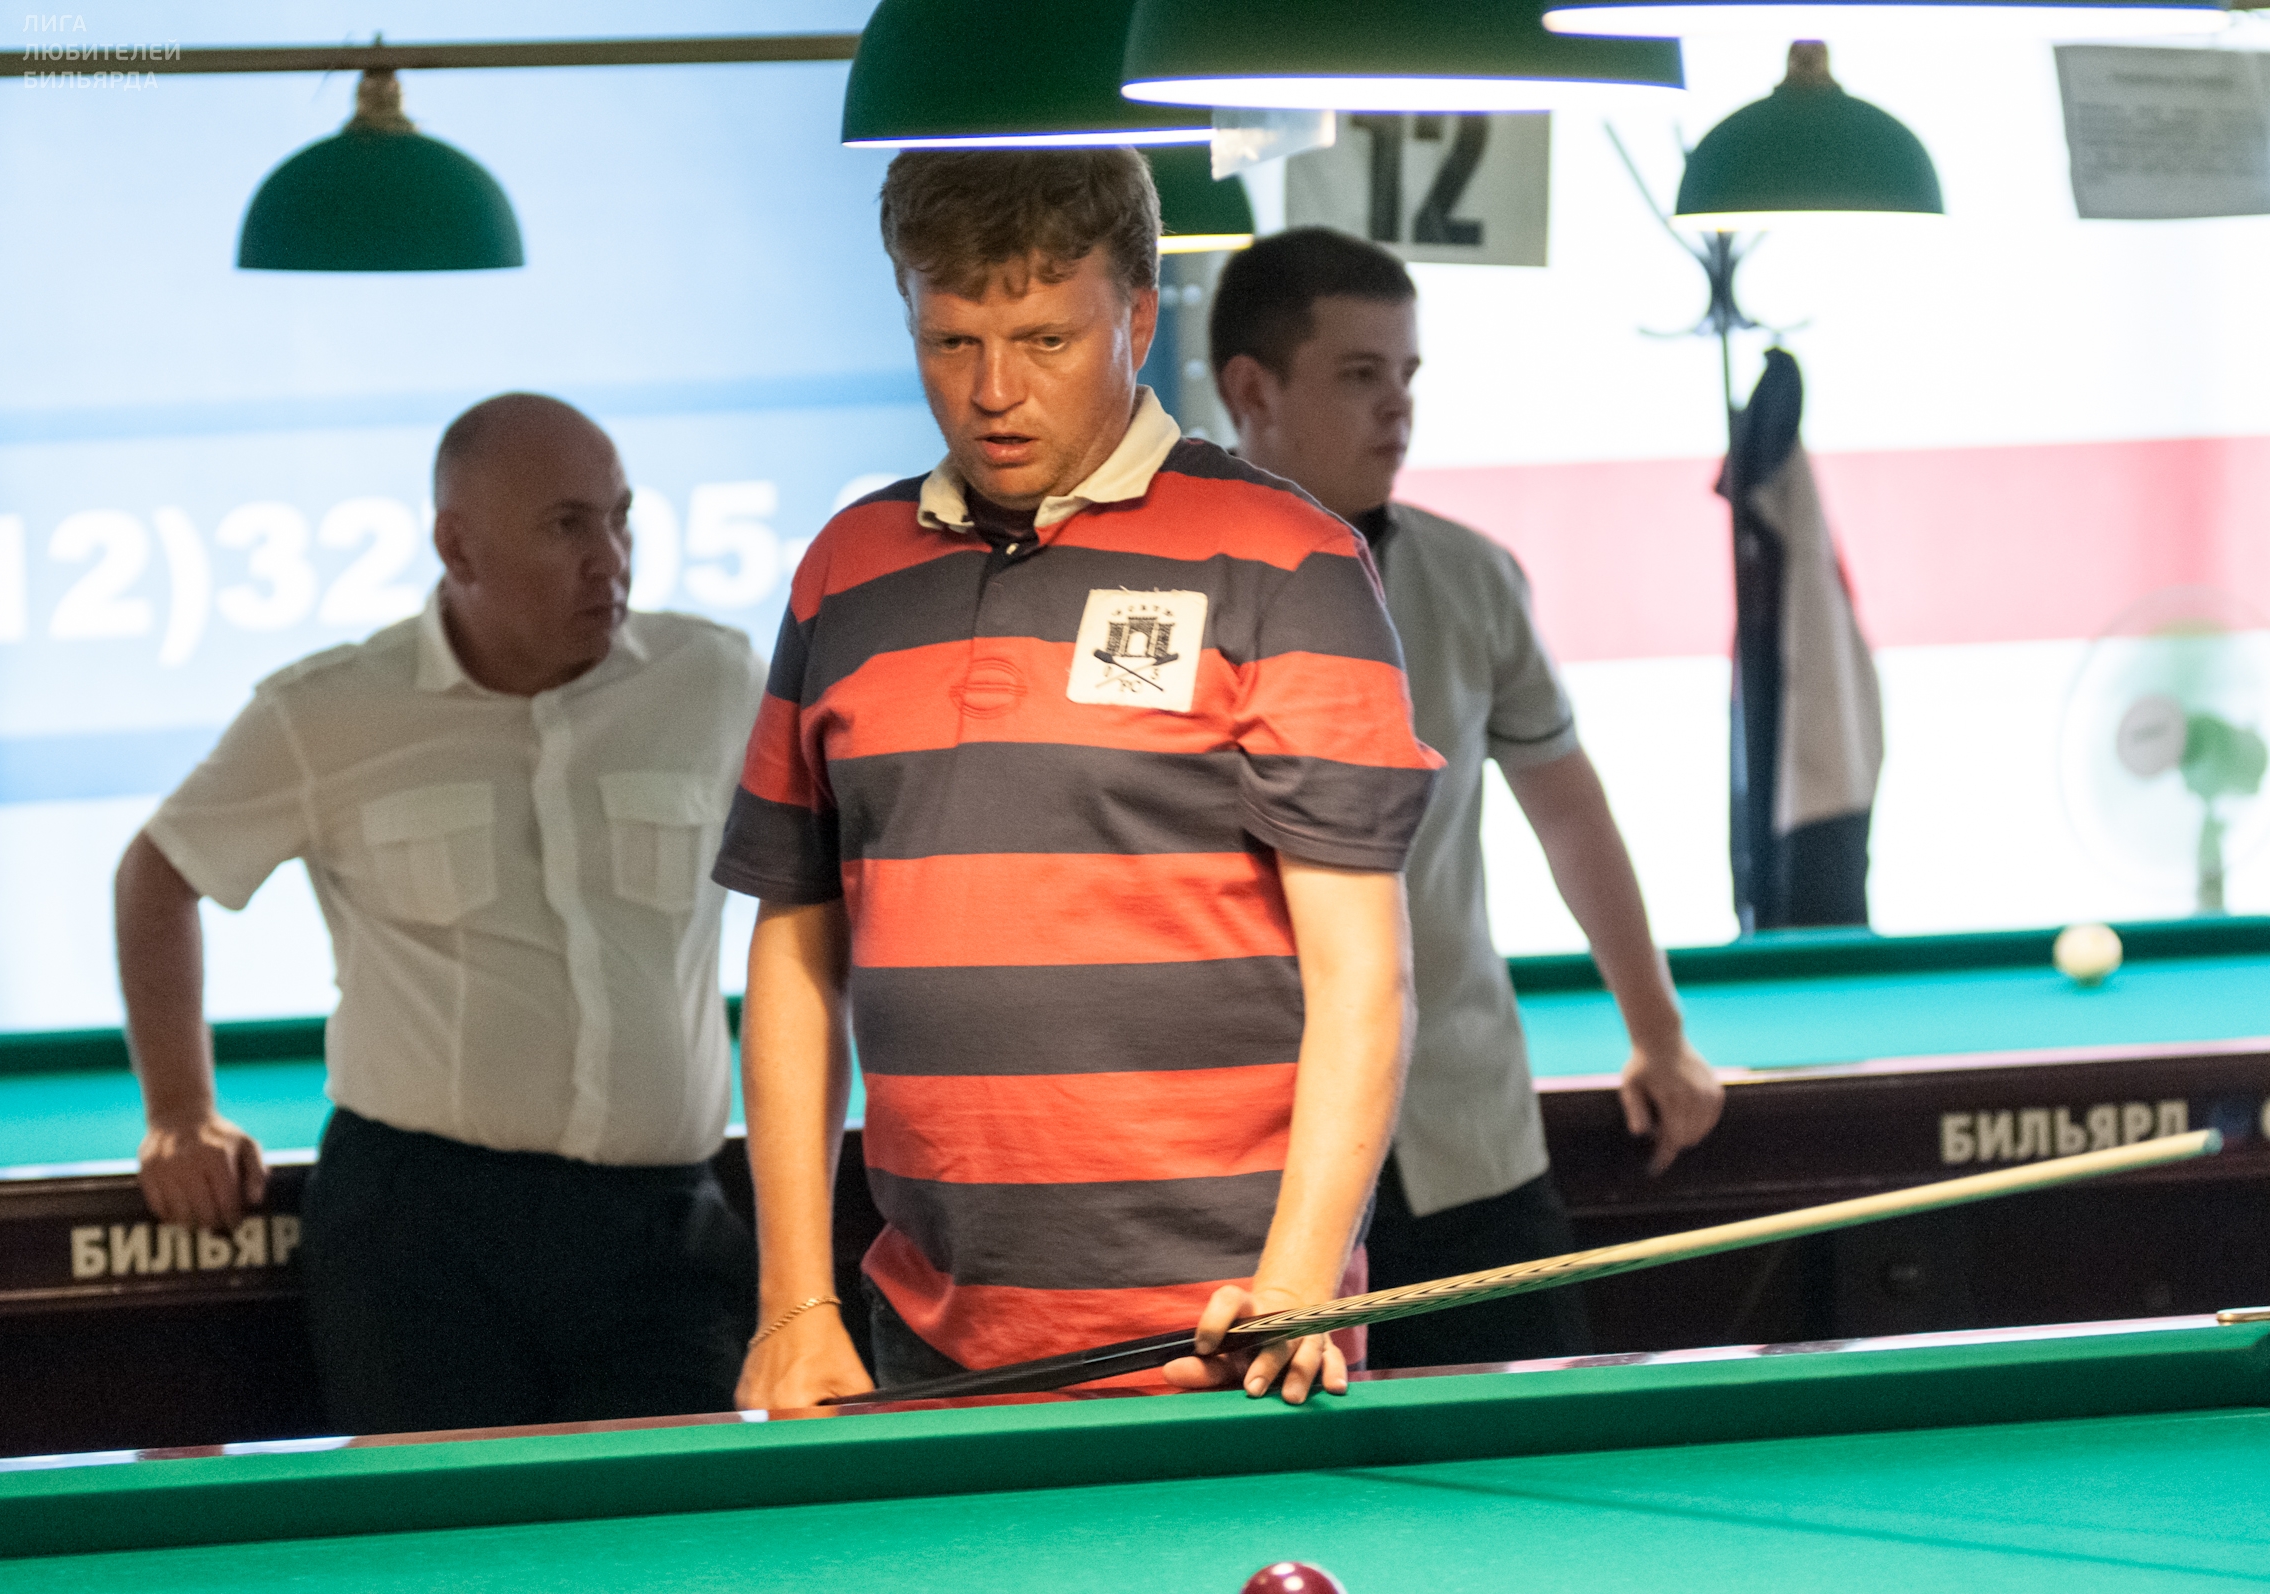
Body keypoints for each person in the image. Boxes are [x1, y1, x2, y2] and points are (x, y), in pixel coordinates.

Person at [714, 150, 1443, 1411]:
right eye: (950, 342)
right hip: (923, 1334)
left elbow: (1363, 978)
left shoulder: (1289, 560)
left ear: (1139, 321)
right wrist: (794, 1299)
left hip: (1229, 1343)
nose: (993, 391)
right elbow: (795, 944)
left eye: (1045, 339)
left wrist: (1297, 1280)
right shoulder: (847, 568)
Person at [116, 393, 766, 1432]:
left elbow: (825, 883)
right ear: (458, 546)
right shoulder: (326, 710)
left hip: (663, 1230)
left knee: (679, 1522)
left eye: (620, 519)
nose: (610, 560)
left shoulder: (716, 682)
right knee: (447, 1528)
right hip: (419, 1237)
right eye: (567, 526)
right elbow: (159, 875)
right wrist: (180, 1111)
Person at [1211, 229, 1725, 1370]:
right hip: (1241, 1159)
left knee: (1550, 1441)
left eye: (1407, 374)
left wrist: (1659, 1033)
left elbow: (1569, 813)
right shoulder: (1159, 587)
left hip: (1466, 1139)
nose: (1397, 406)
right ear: (1253, 391)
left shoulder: (1473, 576)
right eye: (1359, 374)